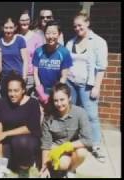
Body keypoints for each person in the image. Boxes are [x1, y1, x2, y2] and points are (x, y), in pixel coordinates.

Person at [65, 10, 108, 163]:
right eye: (75, 26)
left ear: (87, 23)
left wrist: (97, 86)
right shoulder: (71, 42)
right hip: (71, 83)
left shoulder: (98, 42)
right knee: (73, 113)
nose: (77, 28)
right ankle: (74, 141)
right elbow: (67, 63)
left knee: (91, 116)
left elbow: (101, 68)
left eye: (80, 25)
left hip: (87, 85)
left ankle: (95, 145)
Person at [0, 71, 41, 178]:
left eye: (16, 91)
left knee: (22, 141)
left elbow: (32, 127)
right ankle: (6, 166)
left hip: (26, 140)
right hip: (7, 141)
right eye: (10, 91)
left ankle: (24, 169)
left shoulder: (33, 103)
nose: (12, 94)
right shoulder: (2, 102)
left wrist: (6, 133)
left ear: (23, 90)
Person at [39, 83, 92, 178]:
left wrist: (65, 147)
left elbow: (87, 140)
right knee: (63, 164)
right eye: (56, 100)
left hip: (72, 148)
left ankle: (71, 171)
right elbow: (46, 144)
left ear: (69, 98)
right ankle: (64, 168)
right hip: (55, 149)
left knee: (82, 152)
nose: (59, 104)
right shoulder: (48, 117)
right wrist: (45, 167)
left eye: (62, 99)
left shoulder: (80, 113)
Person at [32, 20, 72, 105]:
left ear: (59, 34)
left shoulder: (64, 52)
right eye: (48, 33)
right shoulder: (38, 51)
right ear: (44, 34)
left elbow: (63, 77)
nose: (51, 36)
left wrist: (55, 94)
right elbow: (35, 73)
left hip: (56, 92)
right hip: (40, 90)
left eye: (54, 33)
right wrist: (40, 92)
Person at [0, 17, 28, 96]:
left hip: (18, 78)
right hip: (4, 79)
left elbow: (25, 60)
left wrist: (24, 77)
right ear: (2, 28)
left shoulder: (20, 40)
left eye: (11, 28)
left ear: (15, 28)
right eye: (6, 28)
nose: (8, 30)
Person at [16, 10, 44, 96]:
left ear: (30, 21)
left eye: (27, 19)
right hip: (17, 74)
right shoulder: (15, 37)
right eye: (22, 20)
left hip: (32, 75)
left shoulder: (37, 38)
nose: (25, 22)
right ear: (18, 21)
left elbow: (41, 58)